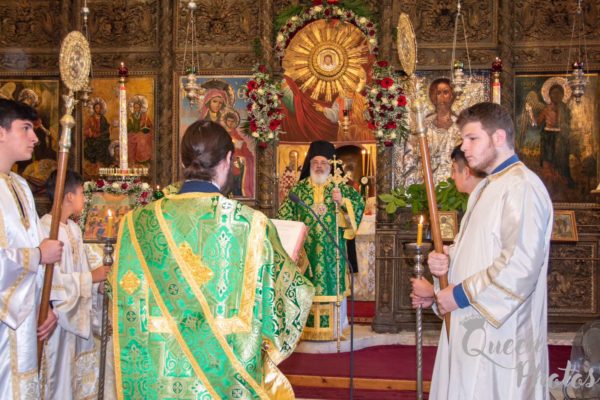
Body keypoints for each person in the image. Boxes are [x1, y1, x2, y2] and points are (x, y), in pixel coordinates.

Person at [112, 120, 314, 399]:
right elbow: (283, 303)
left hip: (161, 373)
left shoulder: (138, 223)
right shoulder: (251, 224)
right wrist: (295, 264)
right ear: (229, 159)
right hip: (226, 377)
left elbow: (123, 291)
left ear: (183, 160)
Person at [427, 102, 553, 399]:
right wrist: (445, 262)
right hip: (471, 326)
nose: (464, 147)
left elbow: (519, 267)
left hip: (500, 336)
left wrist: (459, 294)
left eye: (472, 138)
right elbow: (477, 251)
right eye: (463, 139)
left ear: (498, 138)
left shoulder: (522, 187)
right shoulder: (485, 189)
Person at [0, 98, 63, 398]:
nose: (35, 138)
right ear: (1, 132)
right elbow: (37, 253)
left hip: (25, 321)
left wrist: (45, 303)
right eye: (25, 128)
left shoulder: (21, 185)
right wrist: (38, 255)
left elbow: (37, 245)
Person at [278, 140, 364, 340]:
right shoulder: (298, 190)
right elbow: (284, 216)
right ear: (309, 164)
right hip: (306, 253)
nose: (319, 166)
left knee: (333, 286)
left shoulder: (341, 188)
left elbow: (357, 209)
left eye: (323, 162)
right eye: (315, 162)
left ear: (331, 165)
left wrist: (342, 202)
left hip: (332, 253)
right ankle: (303, 329)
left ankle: (336, 328)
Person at [40, 170, 111, 399]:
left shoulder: (74, 229)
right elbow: (51, 283)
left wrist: (97, 287)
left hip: (76, 319)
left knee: (76, 382)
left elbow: (81, 272)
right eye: (81, 193)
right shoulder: (45, 229)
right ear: (69, 196)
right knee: (59, 381)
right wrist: (93, 277)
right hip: (57, 323)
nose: (84, 199)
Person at [410, 145, 486, 309]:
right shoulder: (476, 204)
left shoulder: (484, 208)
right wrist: (446, 257)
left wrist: (433, 292)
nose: (452, 177)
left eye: (454, 170)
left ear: (466, 172)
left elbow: (477, 271)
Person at [536, 84, 574, 187]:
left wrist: (562, 126)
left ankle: (564, 181)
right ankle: (549, 183)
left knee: (562, 161)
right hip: (548, 139)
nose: (555, 96)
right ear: (549, 95)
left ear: (562, 95)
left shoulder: (565, 109)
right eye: (553, 93)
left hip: (561, 138)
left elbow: (569, 124)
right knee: (548, 162)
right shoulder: (546, 109)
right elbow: (538, 123)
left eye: (558, 93)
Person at [127, 95, 153, 164]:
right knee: (130, 140)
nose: (136, 109)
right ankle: (133, 160)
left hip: (142, 134)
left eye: (138, 108)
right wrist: (131, 128)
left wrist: (146, 127)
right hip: (133, 134)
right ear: (133, 108)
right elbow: (128, 128)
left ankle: (144, 159)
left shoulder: (144, 116)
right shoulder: (131, 117)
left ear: (140, 108)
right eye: (135, 108)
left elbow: (150, 126)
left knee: (143, 139)